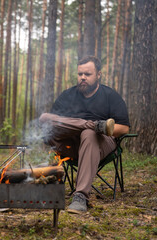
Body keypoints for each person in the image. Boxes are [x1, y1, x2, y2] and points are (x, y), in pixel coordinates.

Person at [39, 55, 130, 214]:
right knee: (45, 118)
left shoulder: (110, 96)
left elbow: (124, 128)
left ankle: (80, 196)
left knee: (88, 134)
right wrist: (93, 125)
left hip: (99, 143)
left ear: (98, 75)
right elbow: (50, 124)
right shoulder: (67, 95)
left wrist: (98, 130)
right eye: (80, 74)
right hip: (70, 144)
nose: (82, 78)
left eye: (87, 74)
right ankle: (95, 125)